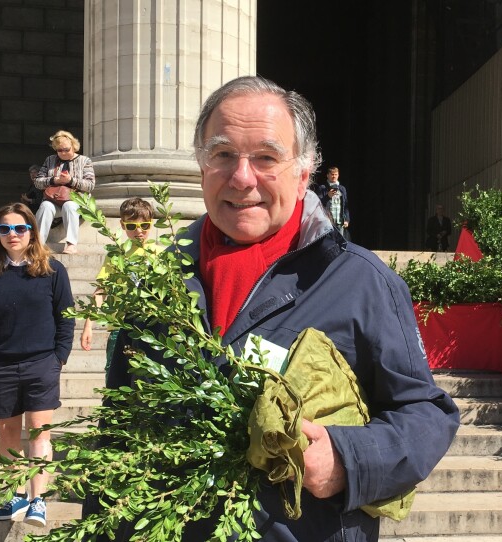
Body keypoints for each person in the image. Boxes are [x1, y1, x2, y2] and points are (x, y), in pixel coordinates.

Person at [94, 76, 460, 542]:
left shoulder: (361, 281)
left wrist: (349, 459)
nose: (242, 176)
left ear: (304, 172)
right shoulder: (158, 283)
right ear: (202, 165)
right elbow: (118, 429)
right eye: (223, 154)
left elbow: (426, 411)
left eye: (266, 158)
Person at [0, 202, 75, 526]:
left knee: (40, 434)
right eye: (4, 229)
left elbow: (66, 318)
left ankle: (38, 500)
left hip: (41, 364)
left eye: (19, 228)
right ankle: (15, 496)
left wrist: (59, 357)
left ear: (32, 230)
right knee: (8, 435)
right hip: (0, 366)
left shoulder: (53, 270)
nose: (12, 235)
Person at [80, 197, 157, 375]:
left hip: (150, 327)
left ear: (151, 224)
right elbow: (101, 291)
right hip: (120, 327)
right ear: (123, 226)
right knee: (115, 379)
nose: (139, 231)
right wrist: (88, 326)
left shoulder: (159, 254)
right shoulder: (116, 255)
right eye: (131, 226)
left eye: (144, 225)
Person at [33, 130, 96, 255]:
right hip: (54, 200)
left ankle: (71, 244)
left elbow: (90, 185)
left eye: (66, 149)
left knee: (70, 205)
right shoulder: (50, 160)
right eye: (59, 150)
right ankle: (38, 245)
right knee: (45, 206)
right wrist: (53, 180)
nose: (63, 153)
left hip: (77, 201)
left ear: (73, 146)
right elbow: (38, 182)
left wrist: (70, 180)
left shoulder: (85, 161)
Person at [314, 166, 350, 239]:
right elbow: (317, 204)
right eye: (332, 174)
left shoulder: (342, 189)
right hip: (328, 221)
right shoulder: (322, 188)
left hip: (339, 221)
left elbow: (345, 206)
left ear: (338, 175)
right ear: (328, 175)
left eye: (336, 174)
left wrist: (347, 220)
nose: (334, 176)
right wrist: (328, 196)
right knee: (329, 241)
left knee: (340, 242)